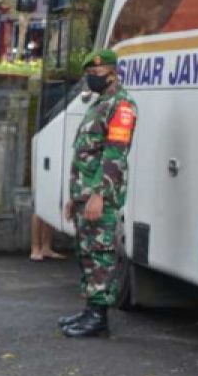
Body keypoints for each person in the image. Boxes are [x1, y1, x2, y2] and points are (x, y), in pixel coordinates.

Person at [58, 48, 138, 338]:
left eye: (96, 74)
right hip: (85, 192)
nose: (91, 79)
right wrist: (75, 197)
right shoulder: (100, 103)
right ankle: (90, 310)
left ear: (112, 73)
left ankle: (99, 318)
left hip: (100, 194)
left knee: (101, 252)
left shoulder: (122, 106)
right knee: (87, 252)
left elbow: (114, 155)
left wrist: (99, 195)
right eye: (89, 75)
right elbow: (86, 154)